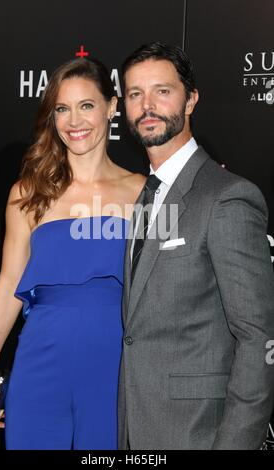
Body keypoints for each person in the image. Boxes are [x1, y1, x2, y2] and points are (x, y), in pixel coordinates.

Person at [0, 57, 145, 449]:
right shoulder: (27, 192)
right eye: (62, 109)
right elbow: (9, 283)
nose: (74, 121)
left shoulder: (141, 192)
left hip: (115, 360)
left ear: (112, 107)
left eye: (87, 105)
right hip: (40, 357)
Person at [118, 42, 274, 450]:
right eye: (135, 94)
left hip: (197, 433)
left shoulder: (227, 197)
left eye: (162, 91)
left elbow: (258, 338)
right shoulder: (144, 196)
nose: (147, 105)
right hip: (134, 429)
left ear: (191, 100)